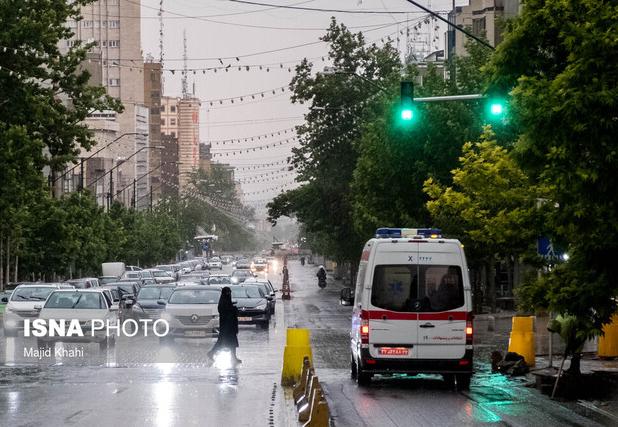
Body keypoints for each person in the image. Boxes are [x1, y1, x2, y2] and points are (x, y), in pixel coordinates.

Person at [207, 287, 241, 364]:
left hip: (230, 326)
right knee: (223, 343)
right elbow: (226, 312)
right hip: (227, 327)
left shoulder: (226, 301)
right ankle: (212, 353)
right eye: (228, 292)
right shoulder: (223, 302)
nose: (229, 294)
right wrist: (234, 310)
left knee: (231, 343)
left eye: (230, 292)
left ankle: (233, 357)